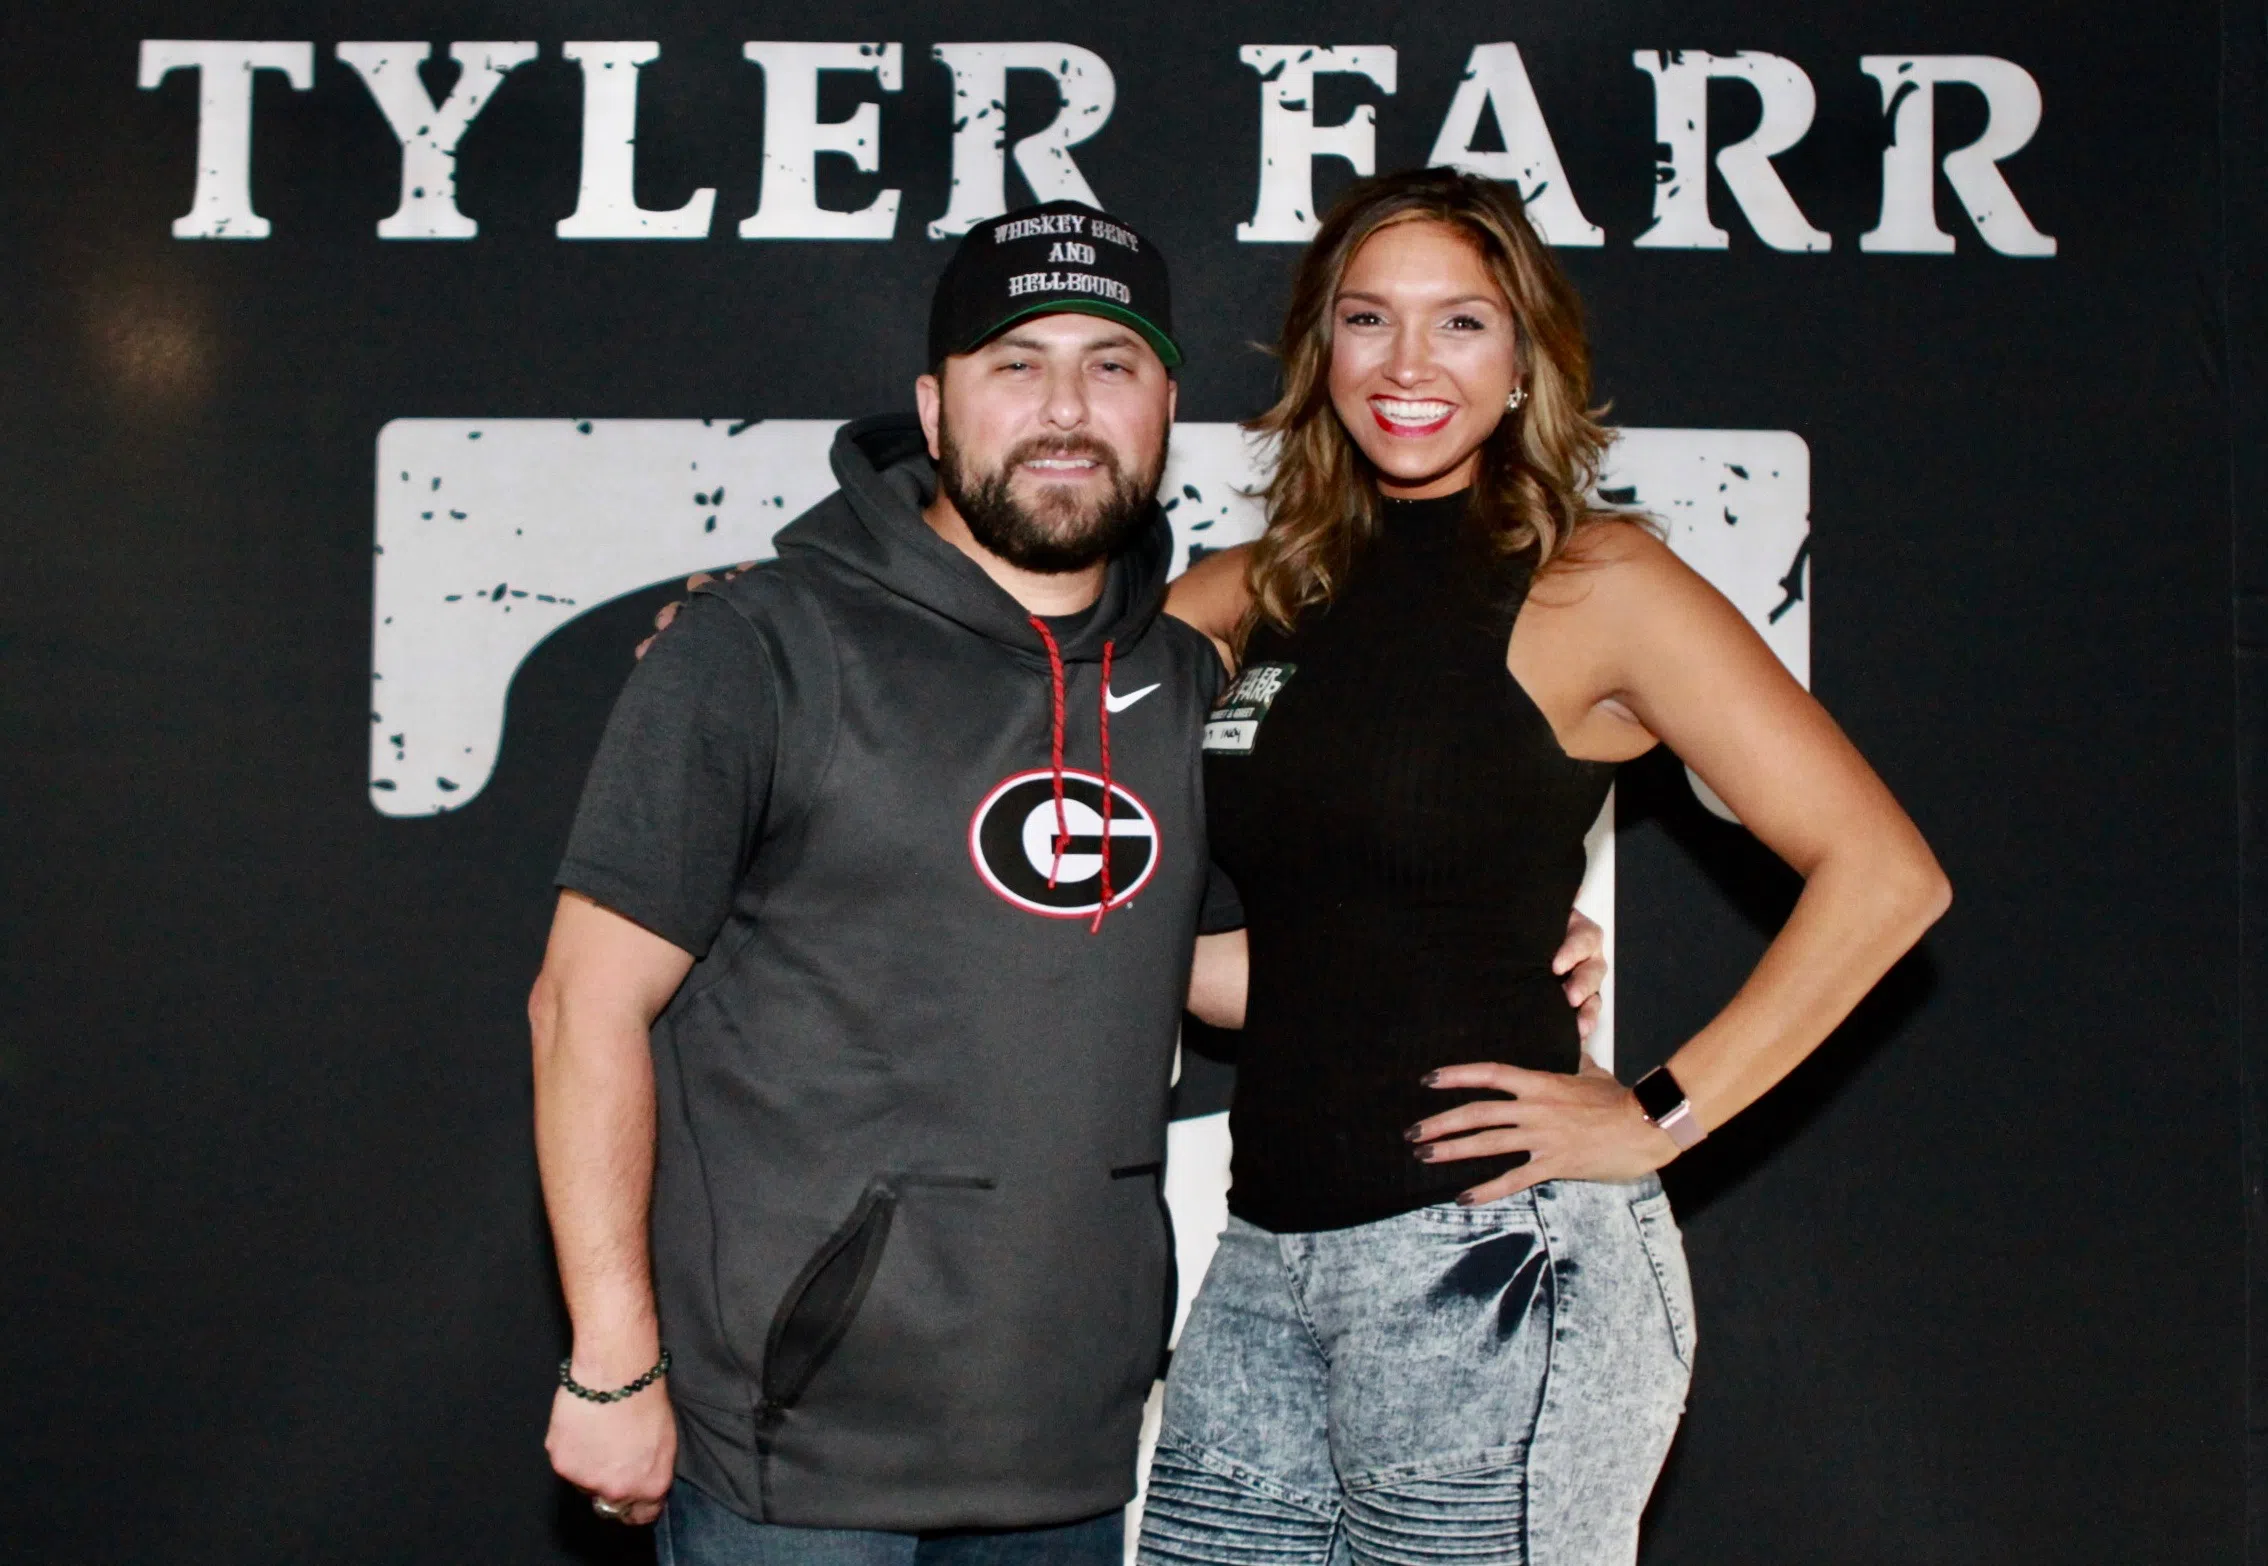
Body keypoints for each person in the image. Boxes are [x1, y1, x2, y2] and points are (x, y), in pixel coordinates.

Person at [529, 195, 1614, 1564]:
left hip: (1068, 1451)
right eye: (1016, 364)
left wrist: (1483, 943)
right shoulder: (762, 645)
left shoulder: (1188, 676)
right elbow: (583, 1007)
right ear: (935, 410)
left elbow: (1220, 971)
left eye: (1111, 366)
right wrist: (611, 1361)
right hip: (792, 1453)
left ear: (1165, 412)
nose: (1065, 409)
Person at [1137, 167, 1952, 1566]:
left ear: (1524, 363)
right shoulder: (1242, 595)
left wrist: (1660, 1113)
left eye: (1461, 322)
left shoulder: (1600, 585)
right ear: (1319, 350)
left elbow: (1886, 875)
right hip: (1263, 1265)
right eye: (1367, 319)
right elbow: (1139, 894)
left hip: (1499, 1266)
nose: (1407, 364)